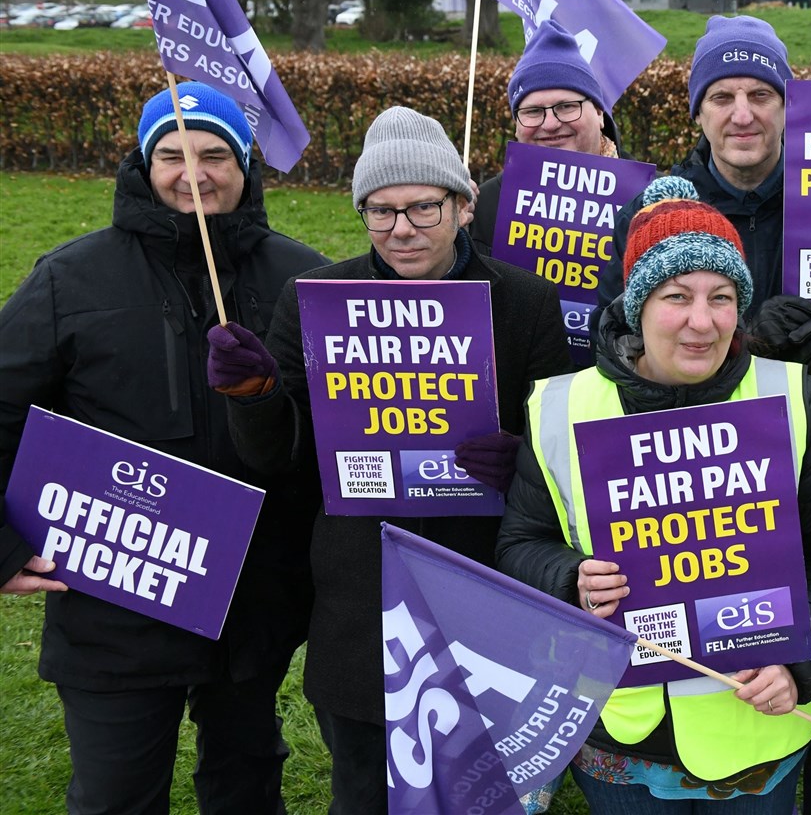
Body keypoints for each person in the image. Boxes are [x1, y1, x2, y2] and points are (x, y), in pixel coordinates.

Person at [597, 13, 811, 814]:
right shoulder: (659, 207)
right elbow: (618, 326)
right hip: (703, 476)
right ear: (697, 111)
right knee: (726, 658)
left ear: (788, 104)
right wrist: (740, 337)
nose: (742, 112)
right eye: (721, 95)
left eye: (760, 92)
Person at [210, 106, 573, 814]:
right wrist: (255, 394)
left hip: (486, 593)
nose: (401, 229)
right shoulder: (316, 300)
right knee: (365, 791)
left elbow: (561, 455)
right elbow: (279, 460)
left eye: (422, 208)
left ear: (464, 207)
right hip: (362, 602)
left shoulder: (526, 302)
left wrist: (522, 461)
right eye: (380, 211)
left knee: (483, 794)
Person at [0, 83, 326, 814]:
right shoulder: (69, 277)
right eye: (172, 155)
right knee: (116, 793)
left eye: (215, 154)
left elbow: (334, 433)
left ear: (245, 164)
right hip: (112, 600)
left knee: (246, 780)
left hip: (252, 599)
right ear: (143, 166)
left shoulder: (301, 277)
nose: (194, 173)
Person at [497, 176, 811, 810]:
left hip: (755, 731)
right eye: (677, 296)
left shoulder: (794, 398)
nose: (702, 321)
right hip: (620, 731)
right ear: (638, 304)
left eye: (722, 297)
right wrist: (569, 579)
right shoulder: (563, 405)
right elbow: (520, 542)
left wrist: (800, 667)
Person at [470, 19, 621, 253]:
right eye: (532, 111)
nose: (550, 124)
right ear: (516, 125)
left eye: (566, 106)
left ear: (599, 113)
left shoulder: (652, 198)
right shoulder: (483, 208)